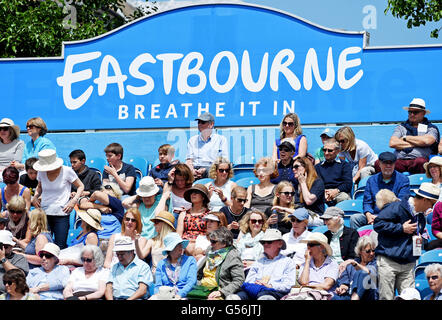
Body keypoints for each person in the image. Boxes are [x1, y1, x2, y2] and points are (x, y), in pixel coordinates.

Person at [374, 183, 439, 300]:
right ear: (424, 200)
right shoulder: (396, 207)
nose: (431, 208)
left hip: (408, 264)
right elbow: (378, 224)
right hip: (389, 262)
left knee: (410, 298)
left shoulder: (420, 217)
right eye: (431, 203)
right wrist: (401, 228)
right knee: (386, 298)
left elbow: (416, 238)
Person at [31, 149, 84, 249]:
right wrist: (35, 197)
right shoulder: (41, 172)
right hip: (44, 214)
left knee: (61, 245)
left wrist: (73, 200)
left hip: (61, 213)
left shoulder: (67, 171)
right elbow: (39, 187)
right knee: (44, 246)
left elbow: (81, 186)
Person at [229, 229, 297, 300]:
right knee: (235, 296)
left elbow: (288, 285)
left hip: (274, 292)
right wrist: (257, 283)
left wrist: (270, 285)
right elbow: (249, 280)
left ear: (280, 244)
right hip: (255, 290)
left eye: (269, 242)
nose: (265, 244)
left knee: (265, 297)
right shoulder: (258, 261)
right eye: (264, 242)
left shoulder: (288, 262)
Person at [350, 151, 410, 230]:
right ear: (379, 164)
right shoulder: (372, 180)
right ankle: (358, 242)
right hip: (374, 215)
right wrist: (368, 215)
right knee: (355, 219)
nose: (388, 166)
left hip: (394, 217)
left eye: (391, 163)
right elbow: (367, 202)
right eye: (385, 163)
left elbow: (401, 203)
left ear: (394, 164)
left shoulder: (403, 180)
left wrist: (381, 217)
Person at [387, 98, 440, 174]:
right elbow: (392, 143)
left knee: (421, 162)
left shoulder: (431, 128)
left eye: (415, 112)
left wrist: (405, 138)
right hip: (400, 160)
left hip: (419, 162)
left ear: (423, 113)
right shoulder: (401, 127)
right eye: (410, 112)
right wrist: (418, 143)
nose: (412, 114)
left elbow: (427, 141)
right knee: (381, 164)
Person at [190, 227, 244, 300]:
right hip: (201, 288)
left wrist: (221, 292)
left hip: (219, 290)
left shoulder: (233, 256)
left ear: (224, 244)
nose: (211, 244)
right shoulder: (210, 250)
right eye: (211, 241)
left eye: (214, 242)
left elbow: (239, 280)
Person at [151, 232, 197, 300]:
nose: (180, 247)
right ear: (169, 250)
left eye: (180, 244)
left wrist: (180, 294)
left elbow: (192, 282)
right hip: (165, 296)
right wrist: (157, 295)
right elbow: (158, 286)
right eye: (177, 245)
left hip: (184, 296)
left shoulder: (190, 260)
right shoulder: (161, 264)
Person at [105, 236, 153, 300]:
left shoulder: (143, 266)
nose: (119, 257)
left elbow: (142, 290)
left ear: (131, 252)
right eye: (117, 254)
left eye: (122, 254)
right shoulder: (114, 267)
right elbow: (108, 288)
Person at [332, 236, 378, 300]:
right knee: (335, 298)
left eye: (373, 251)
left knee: (362, 273)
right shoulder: (350, 265)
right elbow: (345, 283)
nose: (372, 253)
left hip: (368, 295)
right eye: (368, 251)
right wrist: (342, 288)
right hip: (350, 294)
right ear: (360, 252)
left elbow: (368, 271)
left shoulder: (376, 262)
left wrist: (354, 263)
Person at [186, 112, 229, 180]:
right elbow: (189, 160)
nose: (199, 124)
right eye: (198, 122)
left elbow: (223, 161)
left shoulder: (221, 139)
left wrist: (206, 170)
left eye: (203, 122)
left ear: (211, 124)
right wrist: (192, 171)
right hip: (195, 169)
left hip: (212, 169)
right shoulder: (192, 140)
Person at [133, 211, 176, 276]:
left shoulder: (174, 240)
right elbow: (141, 256)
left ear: (164, 224)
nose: (154, 225)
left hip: (170, 275)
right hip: (155, 274)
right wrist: (136, 241)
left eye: (156, 222)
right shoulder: (152, 240)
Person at [315, 138, 352, 206]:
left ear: (337, 151)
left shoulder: (344, 165)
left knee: (344, 197)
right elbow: (315, 183)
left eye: (330, 150)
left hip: (339, 193)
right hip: (323, 193)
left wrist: (336, 191)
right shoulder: (317, 167)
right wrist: (324, 192)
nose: (326, 153)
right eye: (324, 150)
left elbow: (348, 184)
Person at [176, 184, 211, 254]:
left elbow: (210, 234)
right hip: (185, 244)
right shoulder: (183, 214)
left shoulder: (209, 215)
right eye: (192, 192)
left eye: (197, 193)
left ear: (203, 197)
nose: (193, 194)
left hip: (202, 244)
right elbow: (178, 235)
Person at [292, 156, 325, 227]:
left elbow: (309, 201)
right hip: (298, 214)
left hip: (314, 216)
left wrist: (303, 183)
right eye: (293, 167)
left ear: (305, 168)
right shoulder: (294, 185)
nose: (293, 169)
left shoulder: (317, 182)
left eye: (296, 167)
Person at [0, 230, 29, 295]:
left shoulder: (19, 258)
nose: (2, 249)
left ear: (12, 246)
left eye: (5, 246)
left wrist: (3, 259)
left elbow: (19, 276)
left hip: (8, 295)